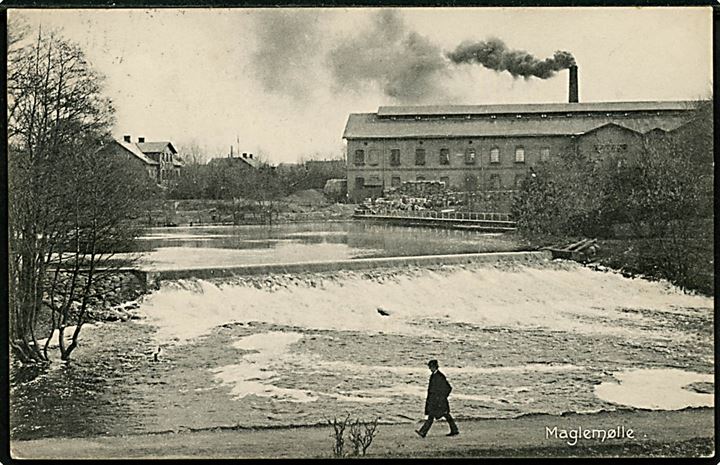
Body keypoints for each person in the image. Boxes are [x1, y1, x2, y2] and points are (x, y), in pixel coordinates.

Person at [416, 359, 459, 438]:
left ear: (434, 367)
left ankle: (423, 432)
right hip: (435, 401)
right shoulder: (434, 375)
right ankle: (454, 430)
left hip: (439, 401)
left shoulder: (439, 376)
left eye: (431, 367)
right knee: (441, 415)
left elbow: (448, 388)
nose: (430, 369)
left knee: (437, 416)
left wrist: (442, 397)